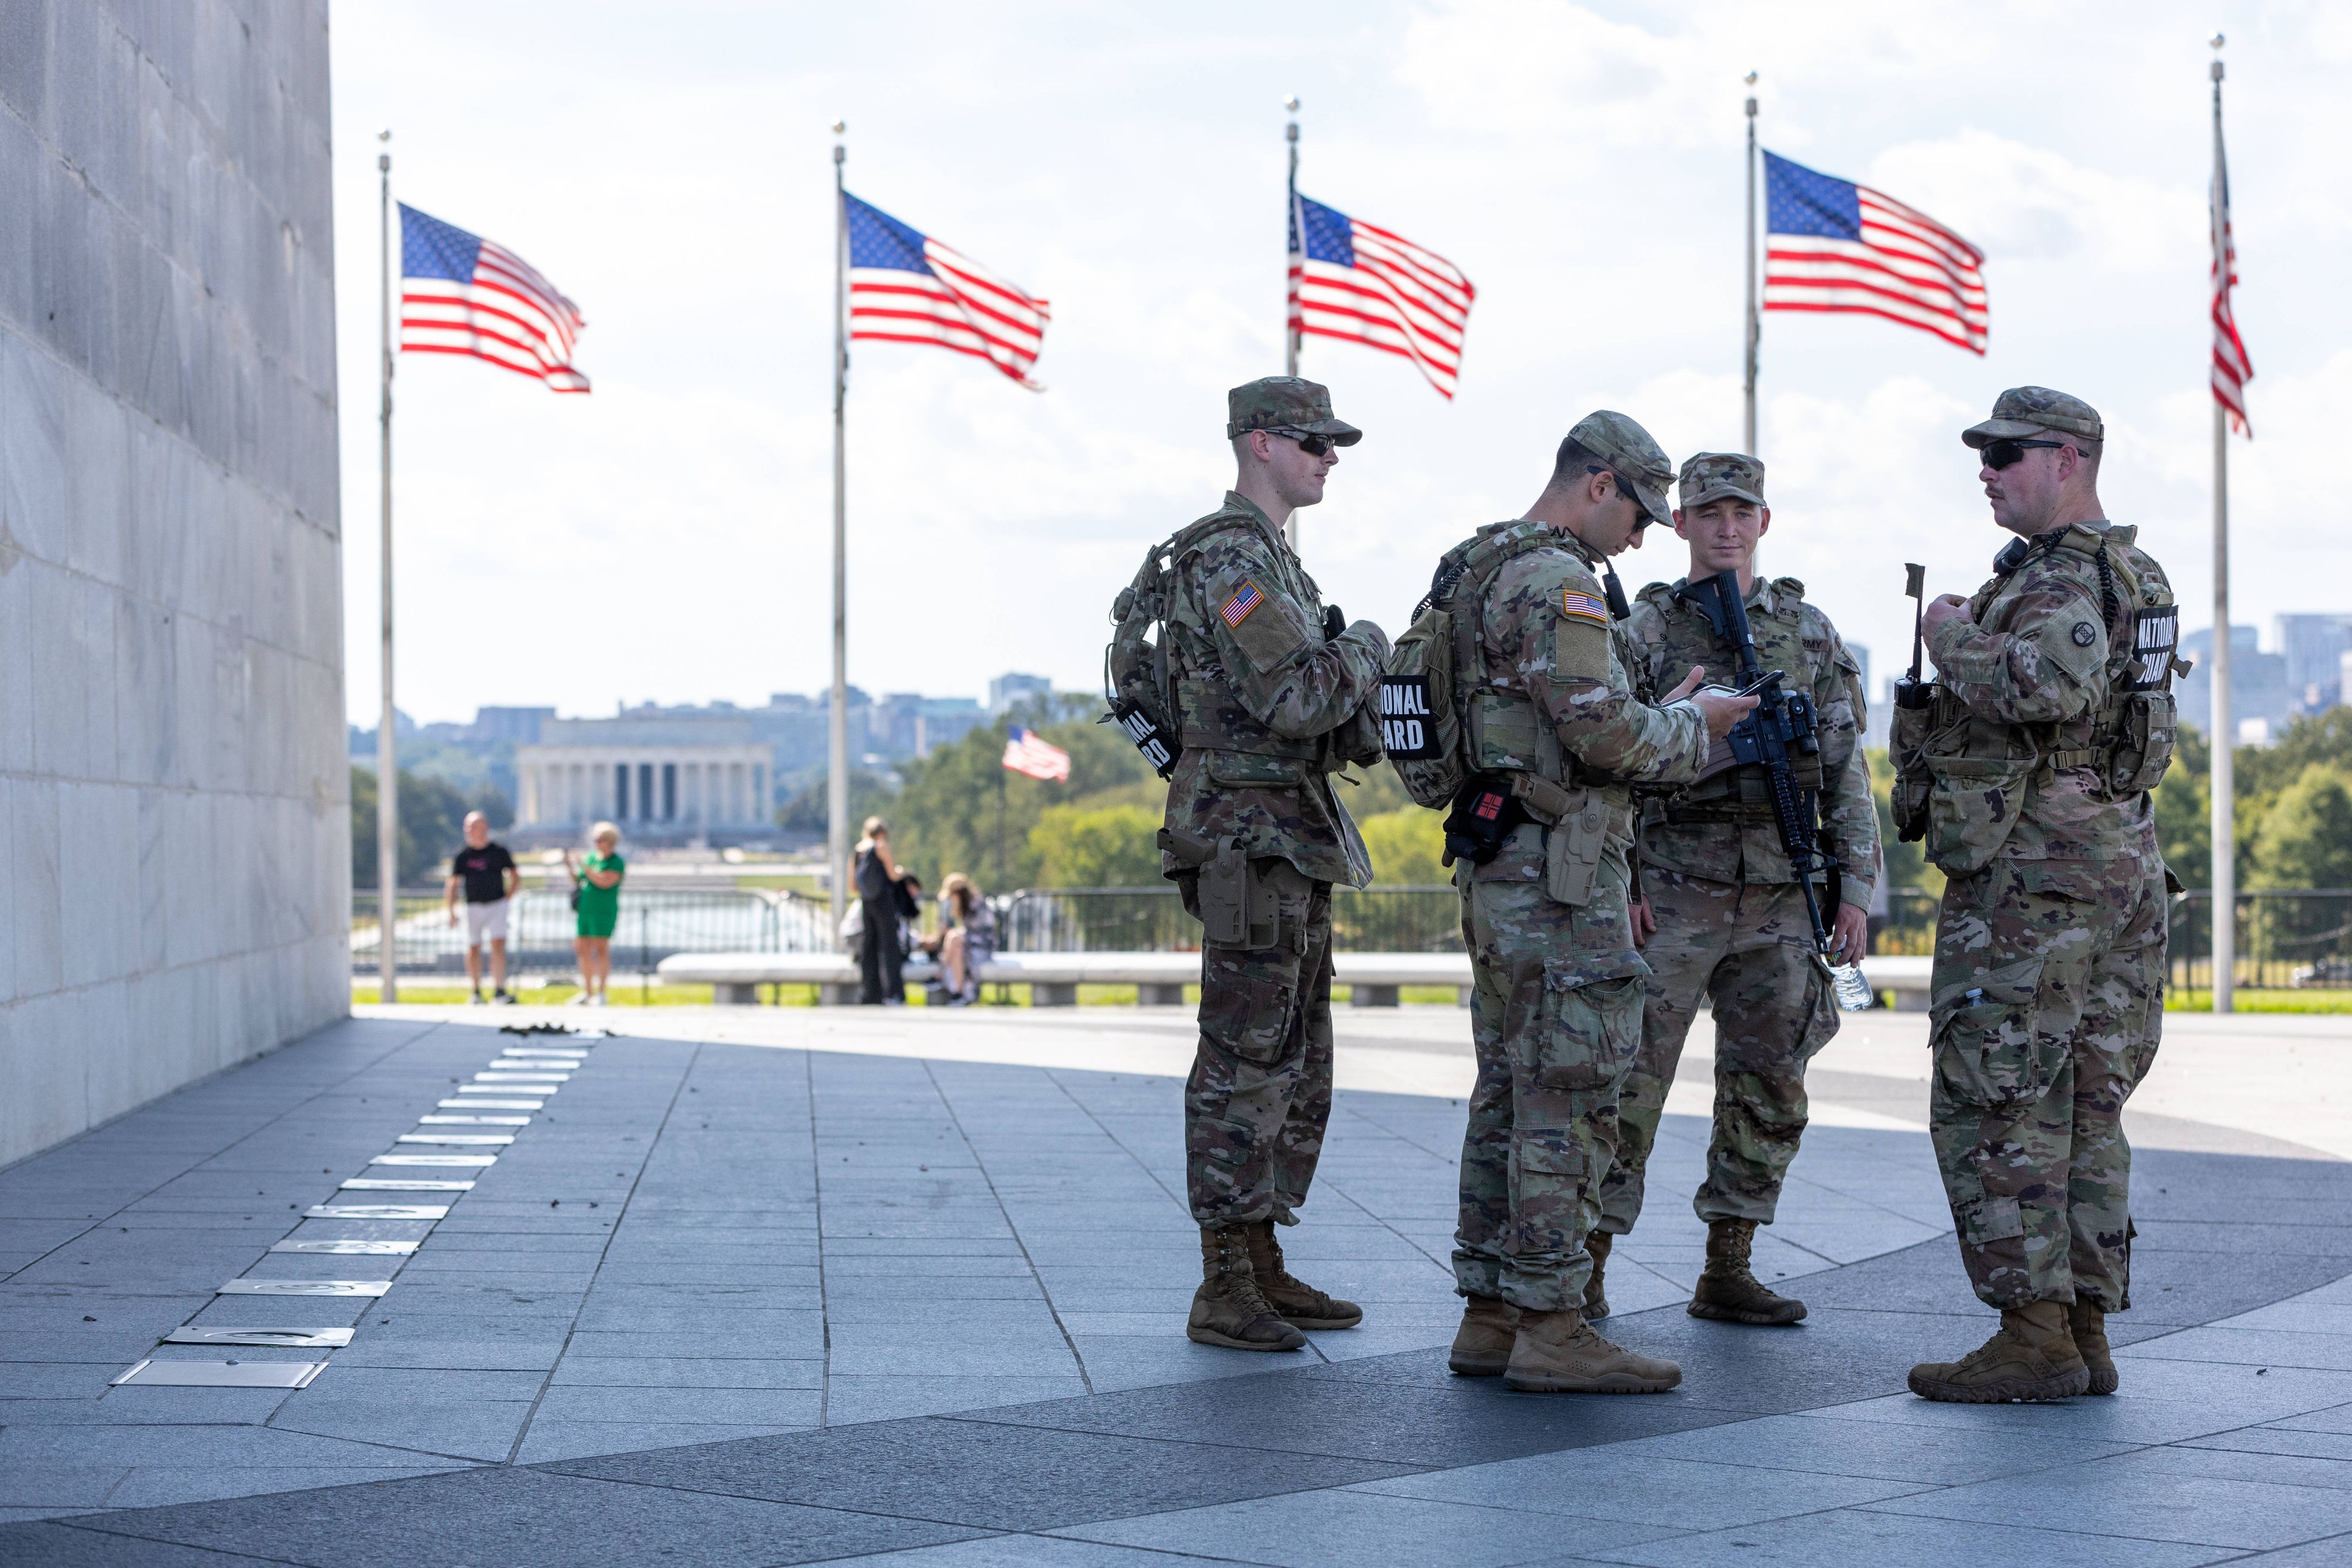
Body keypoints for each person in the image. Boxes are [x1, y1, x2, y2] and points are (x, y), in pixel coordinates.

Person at [1442, 412, 1756, 1395]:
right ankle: (1553, 1320)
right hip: (1560, 870)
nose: (1644, 535)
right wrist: (1692, 726)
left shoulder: (1476, 563)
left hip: (1502, 859)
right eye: (1640, 512)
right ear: (1598, 482)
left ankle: (1492, 1311)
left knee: (1509, 1084)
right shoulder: (1560, 580)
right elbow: (1602, 734)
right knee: (1568, 1091)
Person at [1901, 387, 2180, 1403]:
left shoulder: (2062, 578)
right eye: (1982, 451)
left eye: (2006, 452)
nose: (1986, 468)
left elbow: (2046, 690)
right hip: (2117, 868)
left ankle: (2035, 1334)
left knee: (2001, 1098)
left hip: (2035, 886)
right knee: (2087, 1108)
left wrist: (1949, 634)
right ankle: (2083, 1328)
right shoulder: (2134, 572)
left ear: (2069, 457)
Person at [1594, 453, 1880, 1328]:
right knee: (1627, 1081)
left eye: (1741, 511)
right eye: (1707, 511)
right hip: (1676, 878)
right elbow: (1606, 759)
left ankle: (1731, 1261)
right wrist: (1625, 878)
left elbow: (1845, 767)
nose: (1726, 527)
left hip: (1782, 888)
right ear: (1677, 523)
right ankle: (1584, 1263)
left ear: (1765, 521)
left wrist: (1856, 886)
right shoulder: (1644, 632)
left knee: (1771, 1080)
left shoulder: (1809, 630)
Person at [1148, 377, 1391, 1353]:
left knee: (1291, 1055)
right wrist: (1370, 643)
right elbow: (1300, 695)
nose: (1329, 459)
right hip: (1249, 839)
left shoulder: (1270, 559)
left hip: (1285, 834)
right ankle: (1222, 1283)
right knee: (1245, 1059)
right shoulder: (1234, 558)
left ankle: (1258, 1262)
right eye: (1314, 443)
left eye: (1334, 445)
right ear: (1259, 444)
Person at [445, 811, 520, 1005]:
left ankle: (499, 990)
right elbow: (453, 884)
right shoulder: (463, 855)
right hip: (473, 906)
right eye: (467, 827)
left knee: (498, 945)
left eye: (473, 826)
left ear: (484, 827)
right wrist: (451, 911)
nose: (469, 830)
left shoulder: (499, 851)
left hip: (496, 905)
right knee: (473, 946)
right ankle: (476, 990)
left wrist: (506, 898)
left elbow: (515, 876)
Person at [564, 823, 624, 1007]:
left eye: (601, 840)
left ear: (610, 841)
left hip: (603, 911)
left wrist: (585, 867)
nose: (597, 843)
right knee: (582, 948)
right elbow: (580, 880)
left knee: (601, 949)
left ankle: (602, 993)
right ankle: (587, 992)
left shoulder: (616, 862)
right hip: (585, 909)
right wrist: (570, 867)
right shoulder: (591, 858)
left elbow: (605, 882)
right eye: (595, 840)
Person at [854, 817, 905, 1005]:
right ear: (882, 832)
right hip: (883, 900)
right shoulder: (880, 846)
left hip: (867, 902)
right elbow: (893, 874)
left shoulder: (858, 850)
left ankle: (870, 992)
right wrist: (901, 871)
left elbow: (853, 885)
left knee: (870, 947)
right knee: (890, 946)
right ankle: (894, 992)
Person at [924, 874, 996, 1005]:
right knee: (956, 950)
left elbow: (981, 934)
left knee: (954, 937)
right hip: (971, 945)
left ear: (957, 894)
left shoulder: (977, 905)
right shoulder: (967, 907)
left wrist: (957, 935)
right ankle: (960, 993)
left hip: (982, 947)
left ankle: (940, 974)